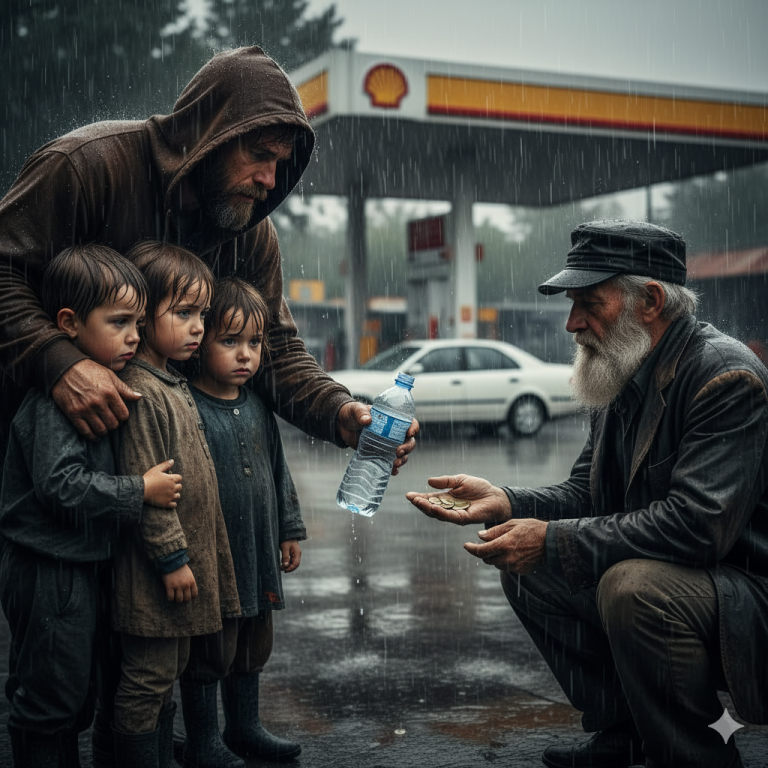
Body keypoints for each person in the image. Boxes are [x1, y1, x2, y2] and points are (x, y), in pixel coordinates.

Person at [407, 220, 768, 768]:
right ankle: (623, 732)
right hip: (690, 578)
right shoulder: (623, 366)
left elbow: (697, 527)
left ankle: (698, 756)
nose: (573, 324)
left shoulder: (724, 376)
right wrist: (507, 501)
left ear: (649, 300)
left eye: (589, 304)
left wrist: (551, 539)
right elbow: (586, 493)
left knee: (633, 587)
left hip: (744, 594)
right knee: (529, 567)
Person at [0, 45, 416, 473]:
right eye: (258, 154)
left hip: (157, 487)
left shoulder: (251, 233)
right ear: (210, 134)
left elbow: (273, 347)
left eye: (279, 163)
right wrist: (59, 364)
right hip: (38, 470)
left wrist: (338, 412)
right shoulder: (88, 166)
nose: (270, 180)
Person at [0, 245, 183, 767]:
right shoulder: (56, 402)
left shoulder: (109, 383)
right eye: (120, 322)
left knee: (76, 691)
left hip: (78, 564)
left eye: (140, 323)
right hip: (50, 568)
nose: (135, 336)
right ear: (69, 323)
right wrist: (137, 491)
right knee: (50, 699)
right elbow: (61, 485)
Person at [110, 241, 240, 768]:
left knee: (167, 675)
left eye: (202, 315)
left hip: (178, 573)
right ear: (143, 316)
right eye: (183, 313)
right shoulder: (142, 390)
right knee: (147, 681)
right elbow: (148, 490)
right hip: (156, 576)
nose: (198, 328)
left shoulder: (169, 381)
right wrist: (171, 558)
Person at [180, 276, 306, 767]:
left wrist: (289, 529)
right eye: (229, 341)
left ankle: (245, 726)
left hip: (257, 549)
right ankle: (203, 741)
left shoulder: (257, 405)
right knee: (209, 648)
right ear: (199, 342)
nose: (245, 355)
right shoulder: (186, 405)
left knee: (253, 640)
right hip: (213, 555)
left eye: (254, 342)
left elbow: (278, 472)